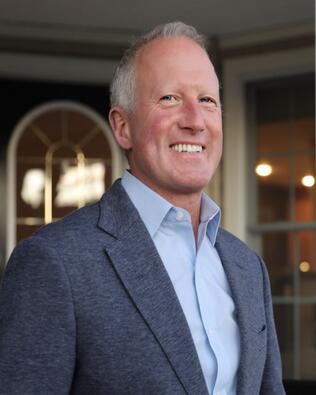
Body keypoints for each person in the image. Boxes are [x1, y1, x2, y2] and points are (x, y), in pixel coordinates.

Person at [0, 22, 285, 395]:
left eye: (207, 101)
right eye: (169, 98)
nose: (195, 121)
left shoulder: (248, 267)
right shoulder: (55, 262)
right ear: (122, 128)